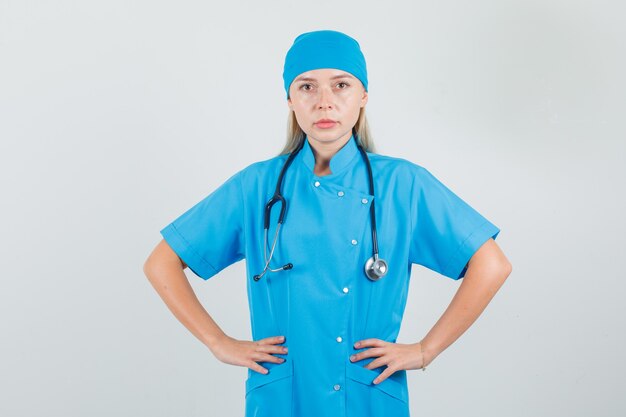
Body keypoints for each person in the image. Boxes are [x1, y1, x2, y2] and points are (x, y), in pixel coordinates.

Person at [143, 29, 512, 417]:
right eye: (307, 87)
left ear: (363, 96)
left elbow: (492, 264)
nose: (324, 102)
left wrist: (425, 350)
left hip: (367, 393)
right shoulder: (256, 187)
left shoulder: (404, 184)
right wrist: (217, 342)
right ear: (289, 99)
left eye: (341, 85)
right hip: (282, 397)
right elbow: (161, 262)